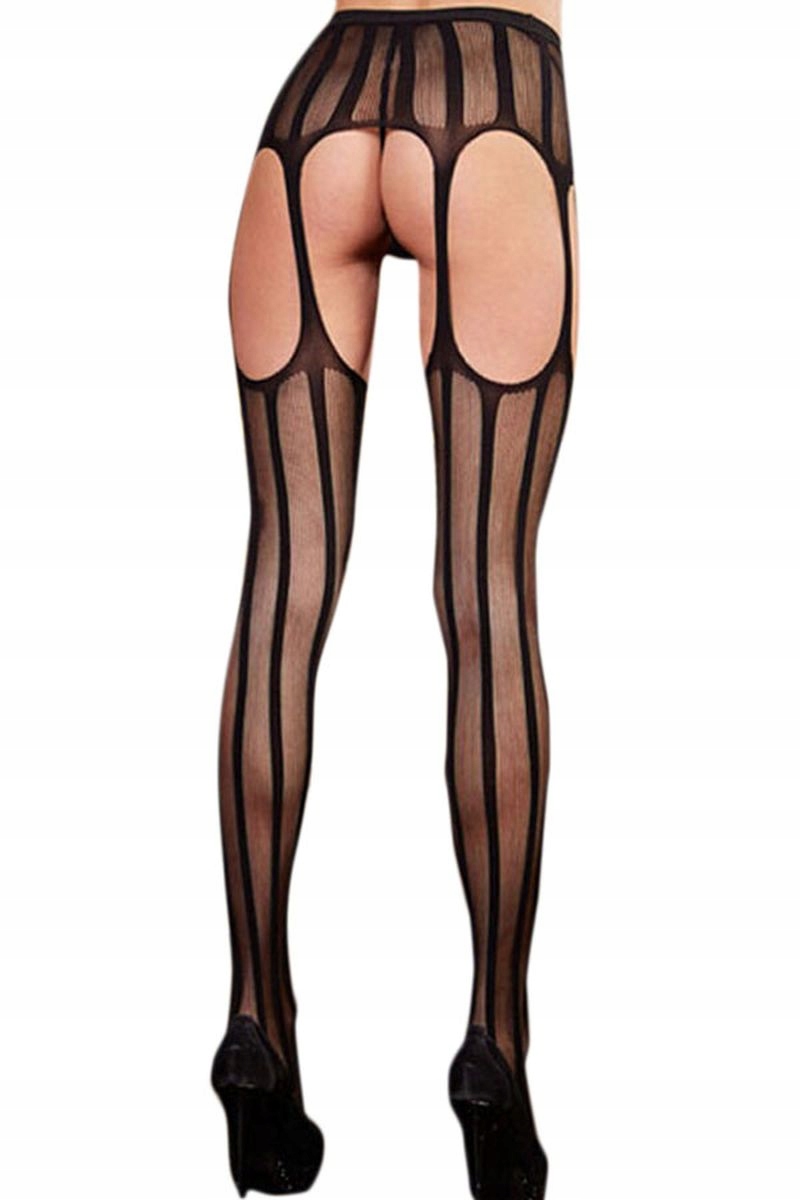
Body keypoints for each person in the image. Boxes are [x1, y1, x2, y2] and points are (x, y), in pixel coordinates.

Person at [210, 2, 578, 1196]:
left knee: (282, 577)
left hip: (319, 102)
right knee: (486, 587)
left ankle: (256, 1020)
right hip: (491, 91)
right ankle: (495, 1043)